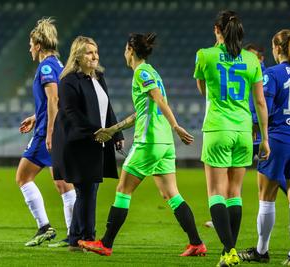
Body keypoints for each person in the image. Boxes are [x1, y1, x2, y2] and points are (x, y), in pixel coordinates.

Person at [79, 33, 207, 257]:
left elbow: (159, 99)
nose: (124, 52)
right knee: (171, 194)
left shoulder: (141, 72)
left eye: (125, 48)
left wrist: (176, 126)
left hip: (149, 141)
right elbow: (142, 112)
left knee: (122, 190)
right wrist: (113, 129)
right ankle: (196, 243)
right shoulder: (152, 72)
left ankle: (106, 243)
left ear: (130, 49)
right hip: (164, 143)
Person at [194, 10, 270, 267]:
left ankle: (229, 250)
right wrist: (265, 139)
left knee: (215, 192)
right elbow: (260, 102)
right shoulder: (252, 60)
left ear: (217, 29)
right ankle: (229, 253)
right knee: (234, 193)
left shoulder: (205, 55)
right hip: (244, 132)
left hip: (217, 129)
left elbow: (202, 89)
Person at [238, 30, 290, 266]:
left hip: (278, 140)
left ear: (277, 49)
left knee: (266, 198)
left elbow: (265, 108)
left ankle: (262, 251)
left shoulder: (272, 74)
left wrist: (261, 131)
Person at [52, 36, 124, 251]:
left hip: (96, 140)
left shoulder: (98, 76)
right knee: (86, 189)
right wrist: (96, 131)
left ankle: (76, 239)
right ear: (77, 56)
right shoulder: (68, 81)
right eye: (89, 53)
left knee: (89, 189)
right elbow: (70, 113)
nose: (95, 56)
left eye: (96, 52)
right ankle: (86, 237)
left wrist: (116, 134)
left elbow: (107, 107)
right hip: (77, 142)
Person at [16, 17, 76, 247]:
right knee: (62, 183)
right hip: (53, 129)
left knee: (23, 177)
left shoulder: (48, 67)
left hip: (47, 134)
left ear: (39, 45)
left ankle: (45, 227)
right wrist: (35, 117)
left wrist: (49, 132)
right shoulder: (59, 65)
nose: (30, 48)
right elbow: (54, 101)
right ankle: (74, 234)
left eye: (31, 44)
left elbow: (54, 98)